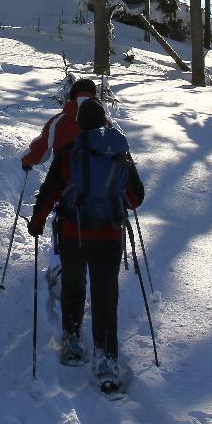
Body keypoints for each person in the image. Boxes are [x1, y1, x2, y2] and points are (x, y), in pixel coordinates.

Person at [27, 97, 144, 392]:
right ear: (105, 122)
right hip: (109, 235)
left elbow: (51, 190)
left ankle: (73, 340)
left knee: (74, 286)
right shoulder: (120, 152)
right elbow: (135, 199)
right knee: (106, 296)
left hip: (73, 233)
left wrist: (37, 222)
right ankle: (105, 358)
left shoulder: (69, 152)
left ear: (79, 124)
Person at [20, 78, 98, 288]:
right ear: (94, 96)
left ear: (71, 96)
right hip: (98, 194)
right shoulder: (104, 122)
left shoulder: (59, 121)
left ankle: (61, 266)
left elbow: (41, 150)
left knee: (63, 226)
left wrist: (27, 160)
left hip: (65, 190)